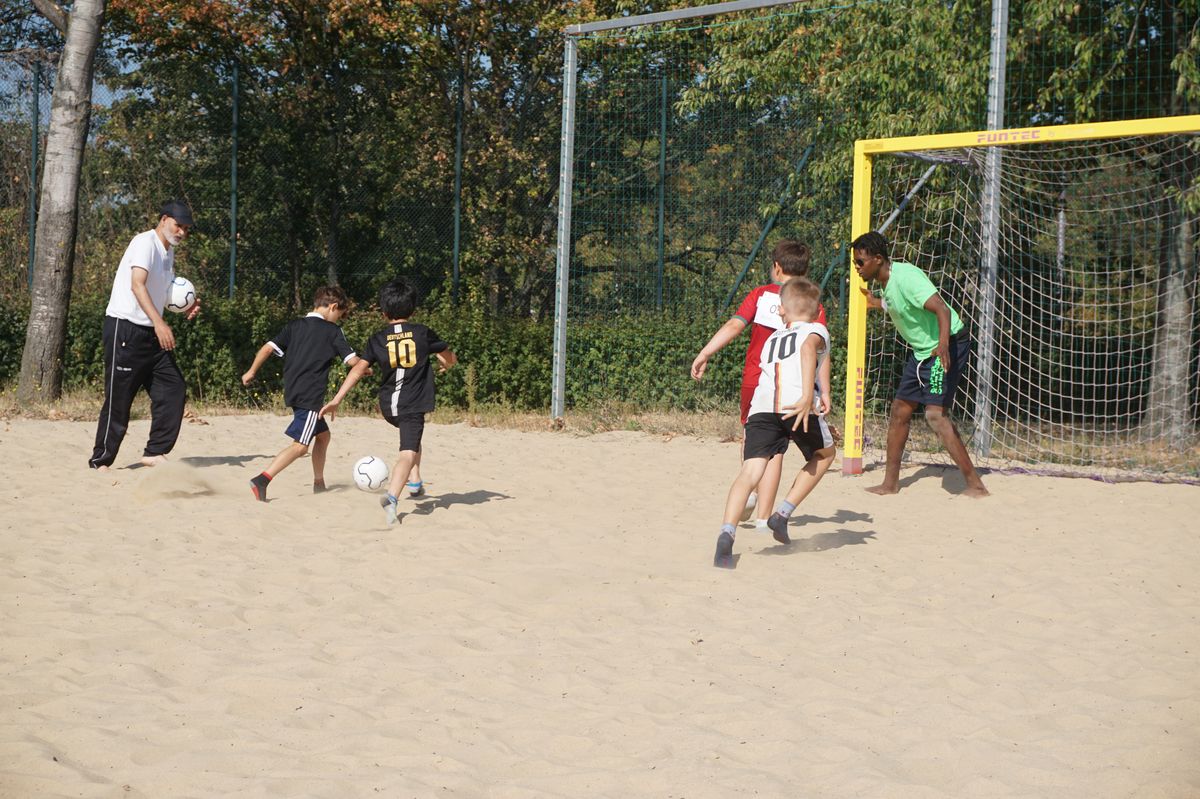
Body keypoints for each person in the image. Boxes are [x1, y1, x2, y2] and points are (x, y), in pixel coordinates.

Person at [691, 240, 831, 529]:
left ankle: (751, 496)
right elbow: (819, 350)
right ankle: (764, 518)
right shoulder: (813, 305)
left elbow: (734, 326)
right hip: (796, 385)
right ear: (804, 271)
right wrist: (822, 390)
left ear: (777, 268)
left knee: (758, 445)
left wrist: (705, 352)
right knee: (780, 449)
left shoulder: (760, 295)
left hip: (758, 381)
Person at [851, 230, 989, 498]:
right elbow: (898, 305)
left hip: (945, 346)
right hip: (921, 352)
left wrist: (943, 346)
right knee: (900, 410)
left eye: (860, 262)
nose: (856, 267)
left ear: (878, 259)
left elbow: (942, 309)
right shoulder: (885, 283)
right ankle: (890, 484)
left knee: (935, 415)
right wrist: (875, 303)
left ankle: (976, 485)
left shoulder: (907, 278)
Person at [714, 276, 836, 569]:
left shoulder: (772, 338)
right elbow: (809, 350)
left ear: (782, 309)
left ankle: (726, 533)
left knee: (750, 471)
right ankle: (782, 513)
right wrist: (810, 395)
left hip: (761, 409)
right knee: (825, 455)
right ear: (816, 309)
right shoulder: (816, 329)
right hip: (795, 406)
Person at [320, 278, 457, 525]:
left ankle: (415, 481)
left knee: (412, 439)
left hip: (387, 406)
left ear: (384, 313)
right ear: (413, 310)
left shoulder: (377, 339)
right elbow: (449, 357)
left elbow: (357, 370)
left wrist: (336, 399)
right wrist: (446, 362)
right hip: (412, 403)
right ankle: (392, 497)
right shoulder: (423, 333)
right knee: (407, 452)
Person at [89, 199, 201, 471]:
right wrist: (160, 324)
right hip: (125, 328)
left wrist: (184, 307)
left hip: (150, 333)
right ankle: (100, 460)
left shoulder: (167, 252)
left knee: (173, 387)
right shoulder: (144, 242)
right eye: (178, 225)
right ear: (164, 220)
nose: (182, 232)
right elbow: (137, 285)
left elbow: (156, 292)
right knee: (120, 397)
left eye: (186, 228)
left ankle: (155, 452)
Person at [241, 286, 363, 501]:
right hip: (310, 396)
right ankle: (262, 479)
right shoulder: (332, 331)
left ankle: (319, 482)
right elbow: (352, 361)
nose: (339, 320)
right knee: (300, 446)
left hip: (294, 390)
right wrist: (367, 366)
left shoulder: (295, 325)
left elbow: (268, 348)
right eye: (340, 315)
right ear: (333, 307)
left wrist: (251, 371)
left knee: (323, 436)